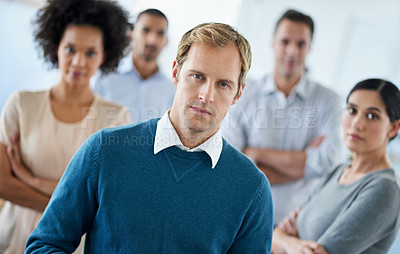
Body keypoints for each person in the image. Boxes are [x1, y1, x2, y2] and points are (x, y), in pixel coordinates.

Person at [25, 22, 274, 253]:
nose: (206, 95)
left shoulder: (252, 189)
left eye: (223, 84)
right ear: (176, 72)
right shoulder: (104, 151)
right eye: (197, 76)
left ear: (238, 93)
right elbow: (44, 244)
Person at [0, 0, 132, 252]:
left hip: (69, 246)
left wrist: (29, 179)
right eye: (70, 49)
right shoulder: (21, 103)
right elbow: (2, 182)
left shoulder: (116, 118)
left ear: (105, 55)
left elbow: (105, 198)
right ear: (56, 47)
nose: (78, 61)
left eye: (91, 52)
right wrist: (71, 208)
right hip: (13, 238)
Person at [222, 9, 343, 224]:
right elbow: (233, 166)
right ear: (273, 43)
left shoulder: (329, 101)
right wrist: (304, 163)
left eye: (301, 44)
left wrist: (256, 153)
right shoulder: (243, 93)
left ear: (310, 47)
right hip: (244, 217)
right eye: (285, 41)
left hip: (297, 225)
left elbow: (327, 163)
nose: (292, 51)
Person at [271, 78, 400, 254]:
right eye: (352, 111)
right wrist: (290, 244)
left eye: (372, 116)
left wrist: (286, 242)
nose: (356, 124)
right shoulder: (339, 171)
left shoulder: (384, 189)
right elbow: (275, 237)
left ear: (393, 128)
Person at [92, 8, 176, 122]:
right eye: (146, 30)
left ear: (166, 40)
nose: (152, 40)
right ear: (131, 33)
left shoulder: (172, 90)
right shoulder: (105, 77)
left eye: (160, 33)